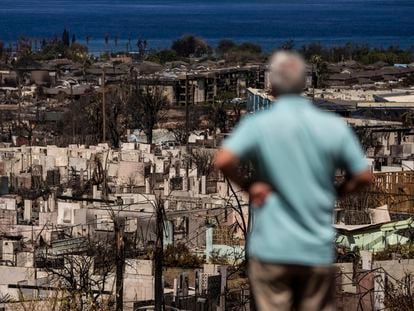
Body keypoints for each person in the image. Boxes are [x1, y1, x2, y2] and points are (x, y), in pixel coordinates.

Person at [214, 51, 372, 311]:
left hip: (271, 250)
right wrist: (337, 192)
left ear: (272, 86)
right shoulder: (331, 125)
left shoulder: (259, 124)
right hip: (315, 251)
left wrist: (249, 186)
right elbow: (364, 175)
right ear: (303, 85)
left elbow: (223, 160)